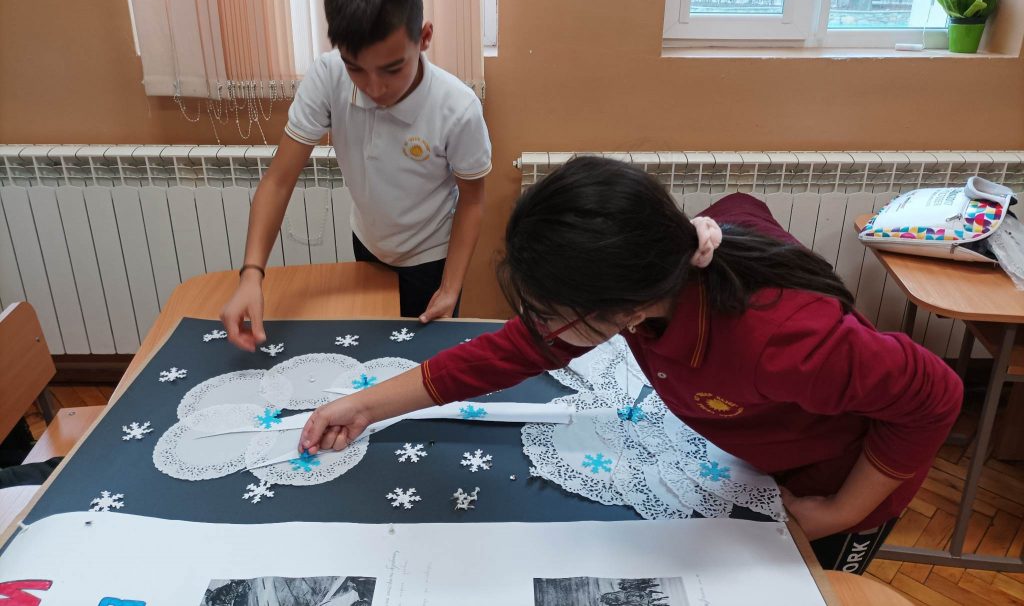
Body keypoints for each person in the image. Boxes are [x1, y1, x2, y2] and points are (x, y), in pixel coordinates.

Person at [298, 156, 963, 574]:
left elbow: (936, 395)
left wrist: (840, 511)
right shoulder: (665, 261)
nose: (542, 331)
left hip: (844, 485)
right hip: (765, 461)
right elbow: (509, 352)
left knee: (820, 587)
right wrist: (365, 405)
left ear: (625, 308)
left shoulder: (779, 339)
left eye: (551, 314)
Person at [221, 0, 491, 349]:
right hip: (367, 241)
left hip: (431, 258)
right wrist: (251, 274)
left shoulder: (458, 108)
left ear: (424, 37)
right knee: (370, 355)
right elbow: (278, 181)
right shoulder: (327, 76)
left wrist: (451, 288)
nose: (374, 87)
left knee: (421, 363)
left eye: (392, 68)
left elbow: (472, 200)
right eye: (356, 68)